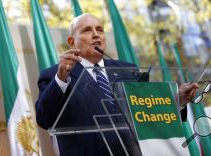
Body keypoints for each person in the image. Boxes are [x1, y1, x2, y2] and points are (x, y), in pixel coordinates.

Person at [35, 13, 199, 156]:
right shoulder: (55, 75)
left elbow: (148, 113)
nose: (96, 35)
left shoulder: (127, 70)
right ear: (72, 42)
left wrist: (176, 101)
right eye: (87, 30)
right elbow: (44, 119)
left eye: (99, 30)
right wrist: (62, 77)